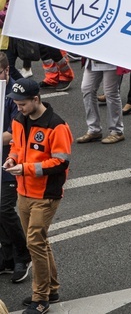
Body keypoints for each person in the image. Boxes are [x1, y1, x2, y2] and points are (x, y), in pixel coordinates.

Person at [3, 78, 72, 313]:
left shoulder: (56, 125)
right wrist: (12, 158)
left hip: (46, 194)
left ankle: (41, 298)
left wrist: (25, 169)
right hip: (23, 191)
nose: (18, 108)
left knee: (34, 242)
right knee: (40, 243)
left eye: (22, 104)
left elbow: (60, 162)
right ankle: (51, 289)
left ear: (36, 99)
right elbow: (16, 145)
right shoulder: (19, 119)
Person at [0, 53, 31, 284]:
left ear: (6, 70)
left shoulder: (15, 95)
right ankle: (7, 256)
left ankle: (23, 254)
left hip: (12, 160)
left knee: (4, 208)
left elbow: (13, 134)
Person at [75, 52, 125, 145]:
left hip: (112, 58)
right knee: (87, 89)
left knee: (111, 92)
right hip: (93, 56)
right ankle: (94, 129)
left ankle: (117, 130)